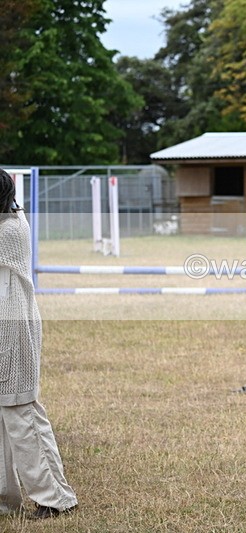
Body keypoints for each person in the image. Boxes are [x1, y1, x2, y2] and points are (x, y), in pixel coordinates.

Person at [0, 169, 79, 520]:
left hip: (12, 331)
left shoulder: (9, 229)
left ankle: (55, 498)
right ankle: (5, 498)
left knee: (21, 412)